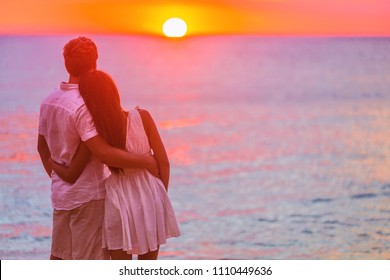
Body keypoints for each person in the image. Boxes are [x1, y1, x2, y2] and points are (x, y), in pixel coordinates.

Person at [37, 36, 158, 260]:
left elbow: (41, 148)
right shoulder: (86, 104)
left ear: (66, 62)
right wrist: (147, 161)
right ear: (95, 62)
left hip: (61, 197)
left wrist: (57, 176)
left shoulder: (49, 100)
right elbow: (101, 151)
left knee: (60, 259)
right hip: (89, 199)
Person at [50, 70, 180, 260]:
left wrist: (53, 163)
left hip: (118, 198)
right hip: (150, 193)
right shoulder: (142, 116)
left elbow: (78, 167)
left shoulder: (97, 133)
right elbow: (164, 163)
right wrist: (160, 195)